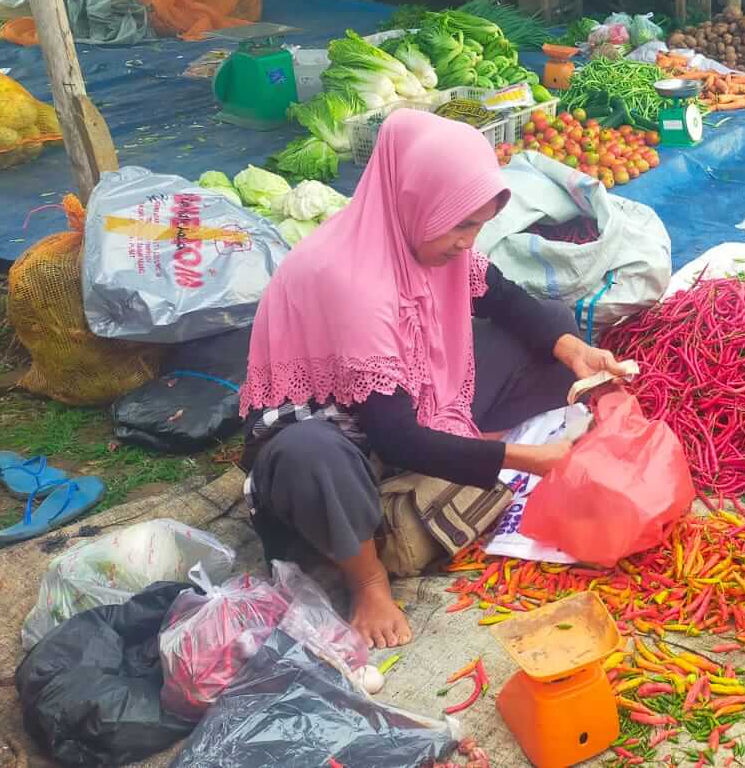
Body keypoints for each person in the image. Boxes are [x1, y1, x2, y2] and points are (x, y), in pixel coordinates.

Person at [238, 110, 630, 649]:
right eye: (460, 225)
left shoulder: (418, 236)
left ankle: (461, 444)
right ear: (415, 199)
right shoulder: (352, 280)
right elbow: (390, 434)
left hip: (406, 396)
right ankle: (369, 581)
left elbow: (502, 295)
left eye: (477, 226)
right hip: (339, 434)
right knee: (312, 455)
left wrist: (576, 350)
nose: (468, 242)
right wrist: (525, 460)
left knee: (553, 329)